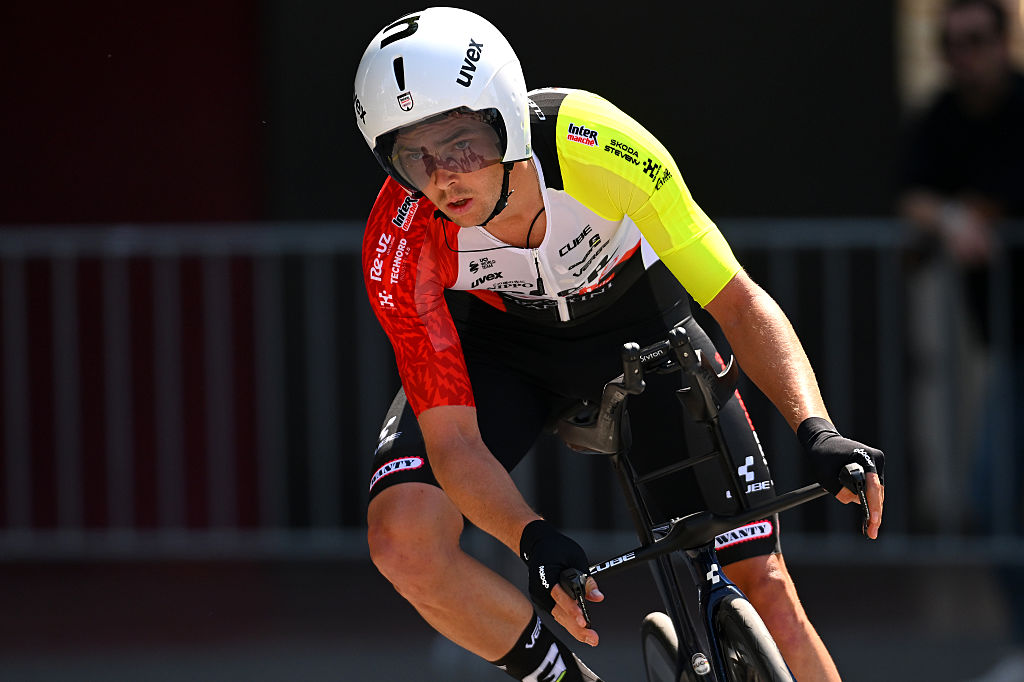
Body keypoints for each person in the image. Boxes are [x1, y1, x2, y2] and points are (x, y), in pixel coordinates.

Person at [355, 8, 885, 681]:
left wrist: (817, 430)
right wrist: (530, 537)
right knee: (402, 536)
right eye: (412, 156)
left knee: (766, 588)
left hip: (642, 332)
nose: (443, 177)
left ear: (506, 118)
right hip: (503, 355)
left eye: (461, 144)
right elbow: (454, 440)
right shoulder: (399, 239)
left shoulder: (591, 142)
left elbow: (735, 300)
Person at [898, 1, 1024, 679]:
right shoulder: (944, 115)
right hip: (1005, 343)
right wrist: (949, 215)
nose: (965, 56)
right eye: (953, 44)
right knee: (992, 496)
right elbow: (908, 192)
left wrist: (971, 210)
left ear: (1003, 42)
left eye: (976, 41)